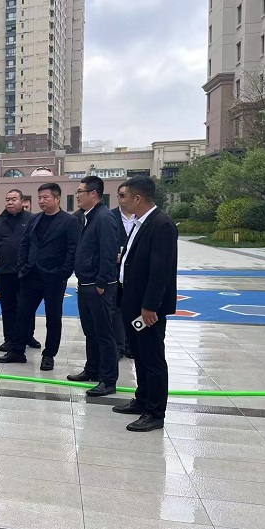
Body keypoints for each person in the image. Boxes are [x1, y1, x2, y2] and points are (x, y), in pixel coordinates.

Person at [113, 176, 178, 432]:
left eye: (124, 196)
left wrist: (150, 306)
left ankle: (155, 412)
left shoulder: (161, 224)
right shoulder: (140, 223)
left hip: (147, 308)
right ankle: (142, 399)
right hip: (132, 302)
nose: (122, 201)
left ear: (138, 198)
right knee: (139, 354)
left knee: (152, 358)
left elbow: (160, 271)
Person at [0, 183, 80, 370]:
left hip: (54, 277)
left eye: (46, 197)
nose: (41, 201)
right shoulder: (34, 219)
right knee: (22, 314)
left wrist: (64, 273)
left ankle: (49, 355)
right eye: (39, 198)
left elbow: (72, 249)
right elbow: (24, 243)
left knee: (53, 317)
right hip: (31, 274)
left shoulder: (70, 221)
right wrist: (22, 266)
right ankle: (17, 351)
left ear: (57, 198)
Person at [67, 176, 120, 396]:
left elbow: (109, 252)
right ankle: (92, 369)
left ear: (93, 194)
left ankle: (108, 380)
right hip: (85, 283)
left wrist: (102, 282)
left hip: (98, 286)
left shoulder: (104, 218)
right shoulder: (86, 217)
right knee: (91, 331)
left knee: (104, 333)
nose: (77, 196)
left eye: (80, 192)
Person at [0, 189, 39, 352]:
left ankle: (28, 336)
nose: (10, 202)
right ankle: (9, 338)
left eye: (14, 199)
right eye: (7, 199)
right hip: (4, 271)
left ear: (22, 201)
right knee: (7, 307)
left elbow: (36, 243)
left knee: (27, 306)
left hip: (26, 272)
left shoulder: (32, 219)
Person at [111, 189, 136, 359]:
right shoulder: (110, 216)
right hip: (114, 271)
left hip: (135, 272)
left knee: (133, 307)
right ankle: (119, 346)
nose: (123, 199)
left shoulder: (141, 218)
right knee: (116, 308)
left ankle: (130, 345)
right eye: (120, 195)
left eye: (126, 195)